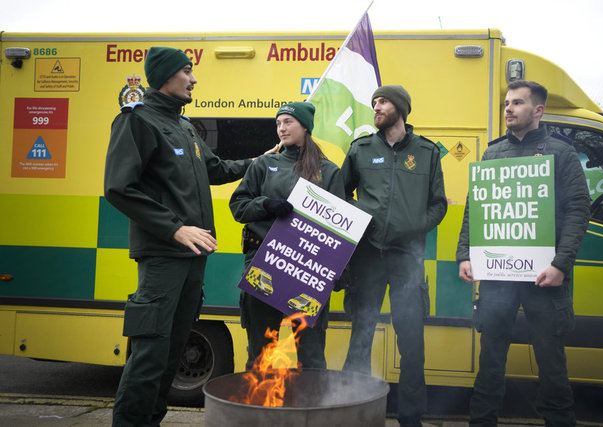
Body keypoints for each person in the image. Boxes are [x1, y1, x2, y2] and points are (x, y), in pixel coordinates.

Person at [104, 47, 268, 427]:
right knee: (149, 356)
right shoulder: (137, 121)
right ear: (166, 75)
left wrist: (260, 160)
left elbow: (216, 169)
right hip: (163, 257)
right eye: (187, 71)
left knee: (171, 355)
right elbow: (118, 188)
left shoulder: (185, 126)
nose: (193, 79)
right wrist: (175, 227)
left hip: (193, 259)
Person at [456, 80, 591, 426]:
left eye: (517, 103)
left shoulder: (560, 152)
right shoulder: (493, 153)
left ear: (538, 110)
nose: (508, 109)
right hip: (498, 278)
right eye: (506, 103)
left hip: (545, 278)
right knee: (490, 362)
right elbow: (475, 209)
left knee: (551, 365)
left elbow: (579, 209)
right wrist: (465, 255)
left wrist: (561, 265)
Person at [341, 85, 448, 427]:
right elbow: (341, 195)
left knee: (411, 341)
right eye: (374, 102)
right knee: (361, 335)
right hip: (368, 256)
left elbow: (439, 204)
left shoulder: (427, 152)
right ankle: (353, 411)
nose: (376, 107)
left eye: (383, 101)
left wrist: (414, 226)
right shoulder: (360, 149)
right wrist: (361, 219)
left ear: (400, 108)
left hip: (407, 260)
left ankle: (411, 417)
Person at [229, 102, 345, 370]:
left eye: (288, 122)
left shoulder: (328, 171)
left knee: (311, 355)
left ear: (305, 127)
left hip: (308, 270)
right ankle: (258, 397)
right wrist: (266, 205)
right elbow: (238, 206)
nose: (281, 128)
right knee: (261, 354)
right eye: (278, 123)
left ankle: (311, 397)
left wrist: (340, 270)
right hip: (265, 263)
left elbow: (340, 230)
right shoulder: (263, 164)